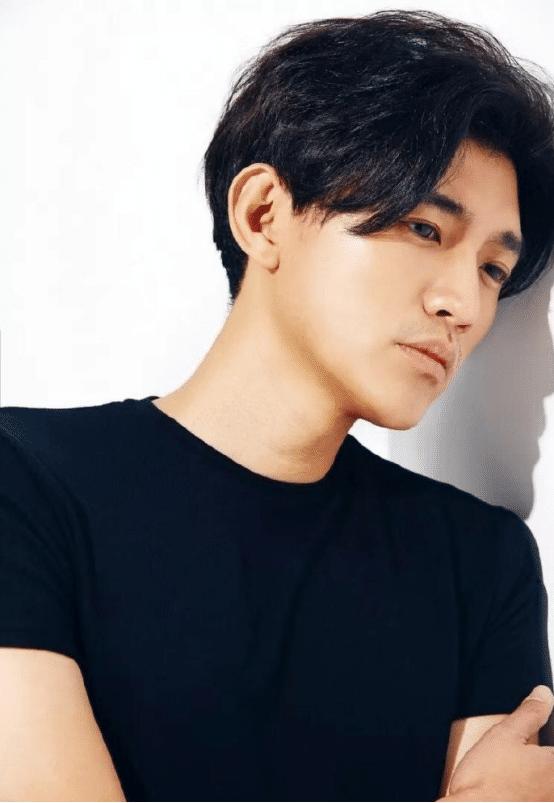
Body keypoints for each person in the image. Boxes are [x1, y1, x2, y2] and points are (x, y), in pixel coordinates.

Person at [1, 8, 554, 802]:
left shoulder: (482, 563)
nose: (463, 304)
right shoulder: (26, 486)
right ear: (263, 214)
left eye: (493, 270)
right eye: (425, 227)